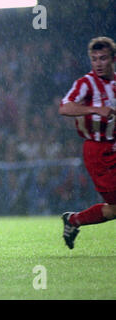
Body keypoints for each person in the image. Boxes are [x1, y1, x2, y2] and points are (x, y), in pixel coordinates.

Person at [59, 36, 116, 249]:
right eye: (94, 59)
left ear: (113, 59)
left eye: (103, 58)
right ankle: (74, 220)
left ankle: (73, 220)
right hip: (97, 152)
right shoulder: (86, 83)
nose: (98, 63)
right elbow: (64, 108)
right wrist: (94, 108)